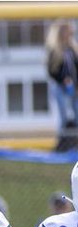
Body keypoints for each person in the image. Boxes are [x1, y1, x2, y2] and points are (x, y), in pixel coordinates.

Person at [46, 20, 78, 151]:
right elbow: (51, 71)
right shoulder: (55, 49)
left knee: (76, 115)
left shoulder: (72, 48)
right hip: (61, 88)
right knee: (64, 116)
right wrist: (63, 79)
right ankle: (62, 144)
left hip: (74, 89)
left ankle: (75, 143)